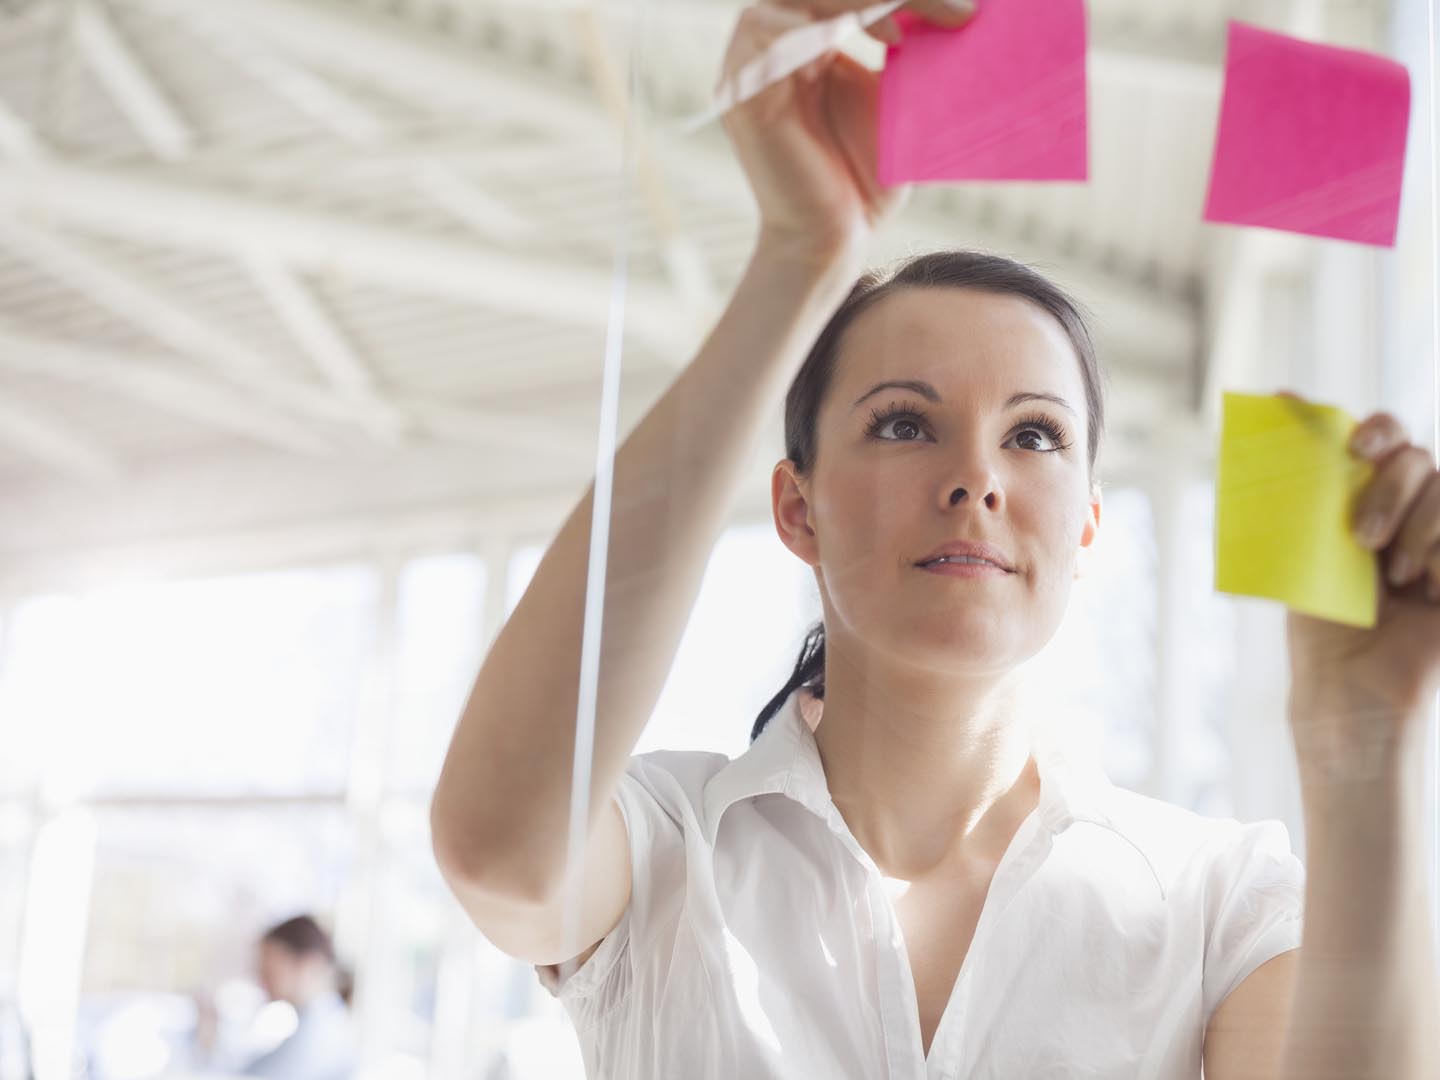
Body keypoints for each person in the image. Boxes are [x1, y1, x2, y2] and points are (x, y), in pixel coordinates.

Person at [431, 2, 1438, 1077]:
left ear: (1090, 523)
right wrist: (799, 256)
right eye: (904, 424)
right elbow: (503, 853)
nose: (975, 479)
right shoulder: (673, 849)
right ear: (796, 508)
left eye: (1036, 435)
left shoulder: (1213, 901)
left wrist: (1359, 742)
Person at [241, 915, 357, 1080]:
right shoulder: (324, 1021)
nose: (261, 977)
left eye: (269, 968)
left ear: (307, 964)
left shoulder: (318, 1033)